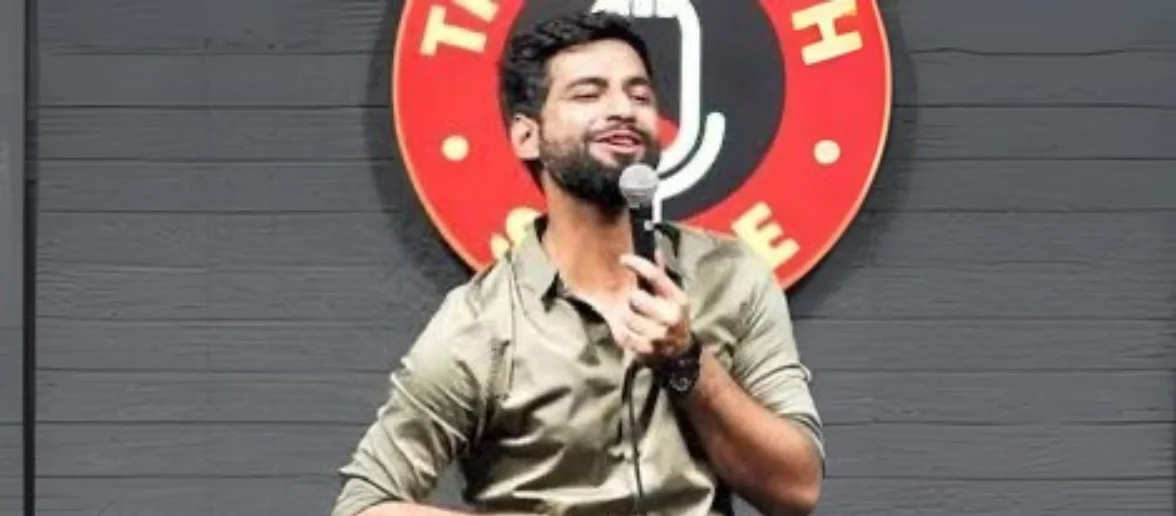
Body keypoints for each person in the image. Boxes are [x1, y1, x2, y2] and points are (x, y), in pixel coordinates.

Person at [332, 11, 824, 516]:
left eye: (639, 95)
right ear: (527, 136)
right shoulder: (483, 324)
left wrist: (687, 362)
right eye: (588, 94)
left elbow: (797, 490)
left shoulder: (731, 277)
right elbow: (363, 504)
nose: (623, 110)